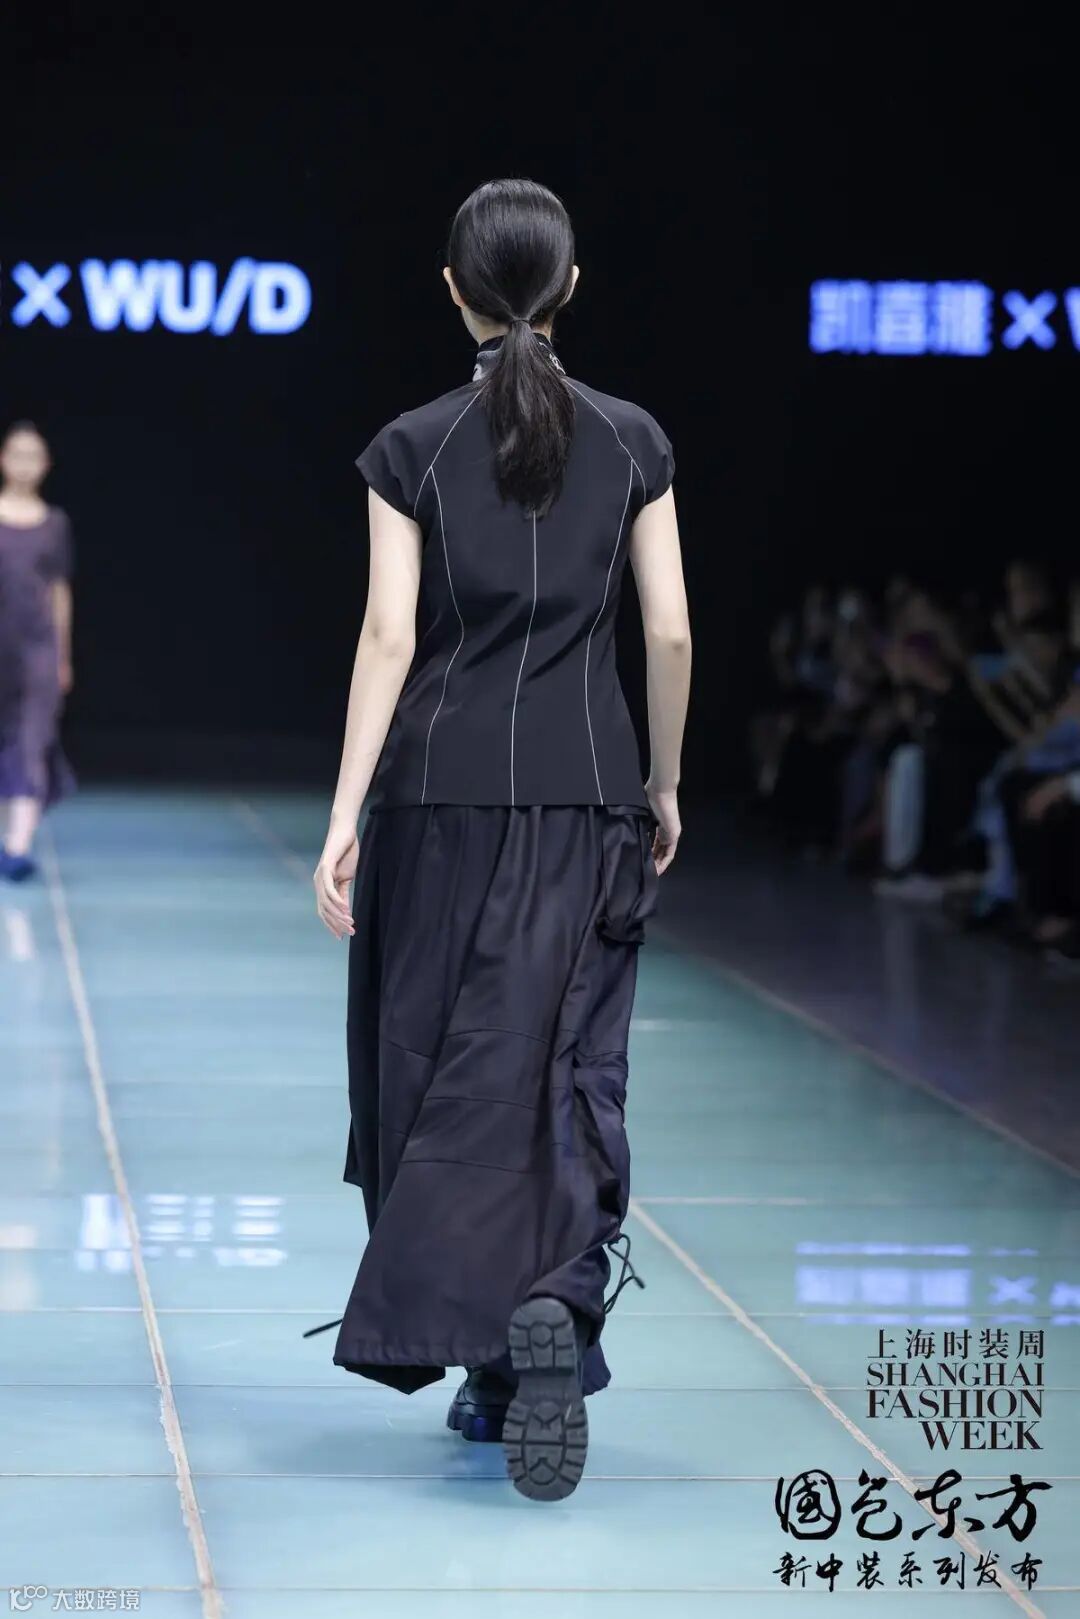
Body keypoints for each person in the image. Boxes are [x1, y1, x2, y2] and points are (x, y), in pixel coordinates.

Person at [308, 179, 690, 1503]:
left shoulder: (410, 444)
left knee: (428, 1067)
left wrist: (344, 810)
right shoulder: (633, 438)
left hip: (433, 800)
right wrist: (664, 778)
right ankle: (551, 1313)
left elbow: (388, 638)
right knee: (564, 1065)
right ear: (570, 287)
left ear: (453, 291)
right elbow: (669, 630)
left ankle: (487, 1347)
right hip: (588, 799)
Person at [0, 422, 75, 881]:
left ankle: (17, 847)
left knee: (31, 738)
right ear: (3, 459)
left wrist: (63, 655)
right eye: (17, 454)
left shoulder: (55, 524)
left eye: (34, 456)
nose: (25, 464)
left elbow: (60, 591)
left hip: (37, 648)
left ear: (46, 465)